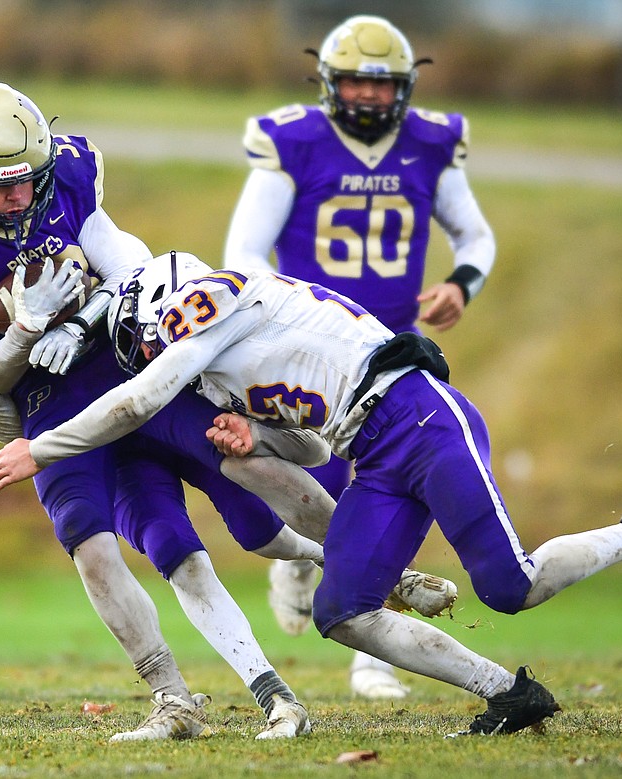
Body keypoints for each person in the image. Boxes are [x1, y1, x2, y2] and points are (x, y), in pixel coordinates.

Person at [0, 84, 453, 738]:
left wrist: (80, 322)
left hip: (125, 360)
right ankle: (181, 697)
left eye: (30, 180)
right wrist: (23, 329)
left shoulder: (66, 180)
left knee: (250, 479)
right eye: (2, 187)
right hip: (49, 410)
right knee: (105, 547)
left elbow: (131, 268)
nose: (21, 197)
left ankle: (376, 565)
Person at [0, 251, 622, 736]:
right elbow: (313, 448)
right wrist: (251, 438)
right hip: (371, 452)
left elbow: (136, 402)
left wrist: (38, 447)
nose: (148, 353)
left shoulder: (218, 298)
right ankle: (509, 692)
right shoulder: (225, 366)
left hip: (420, 416)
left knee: (510, 584)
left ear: (157, 309)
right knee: (341, 610)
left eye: (142, 340)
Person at [222, 14, 496, 698]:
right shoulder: (296, 141)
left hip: (391, 353)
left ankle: (371, 652)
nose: (370, 99)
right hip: (306, 347)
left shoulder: (431, 143)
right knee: (285, 459)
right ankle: (298, 556)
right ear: (327, 83)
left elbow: (476, 238)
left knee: (391, 484)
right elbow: (243, 256)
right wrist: (285, 315)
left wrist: (462, 285)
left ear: (404, 88)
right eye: (355, 84)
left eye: (383, 86)